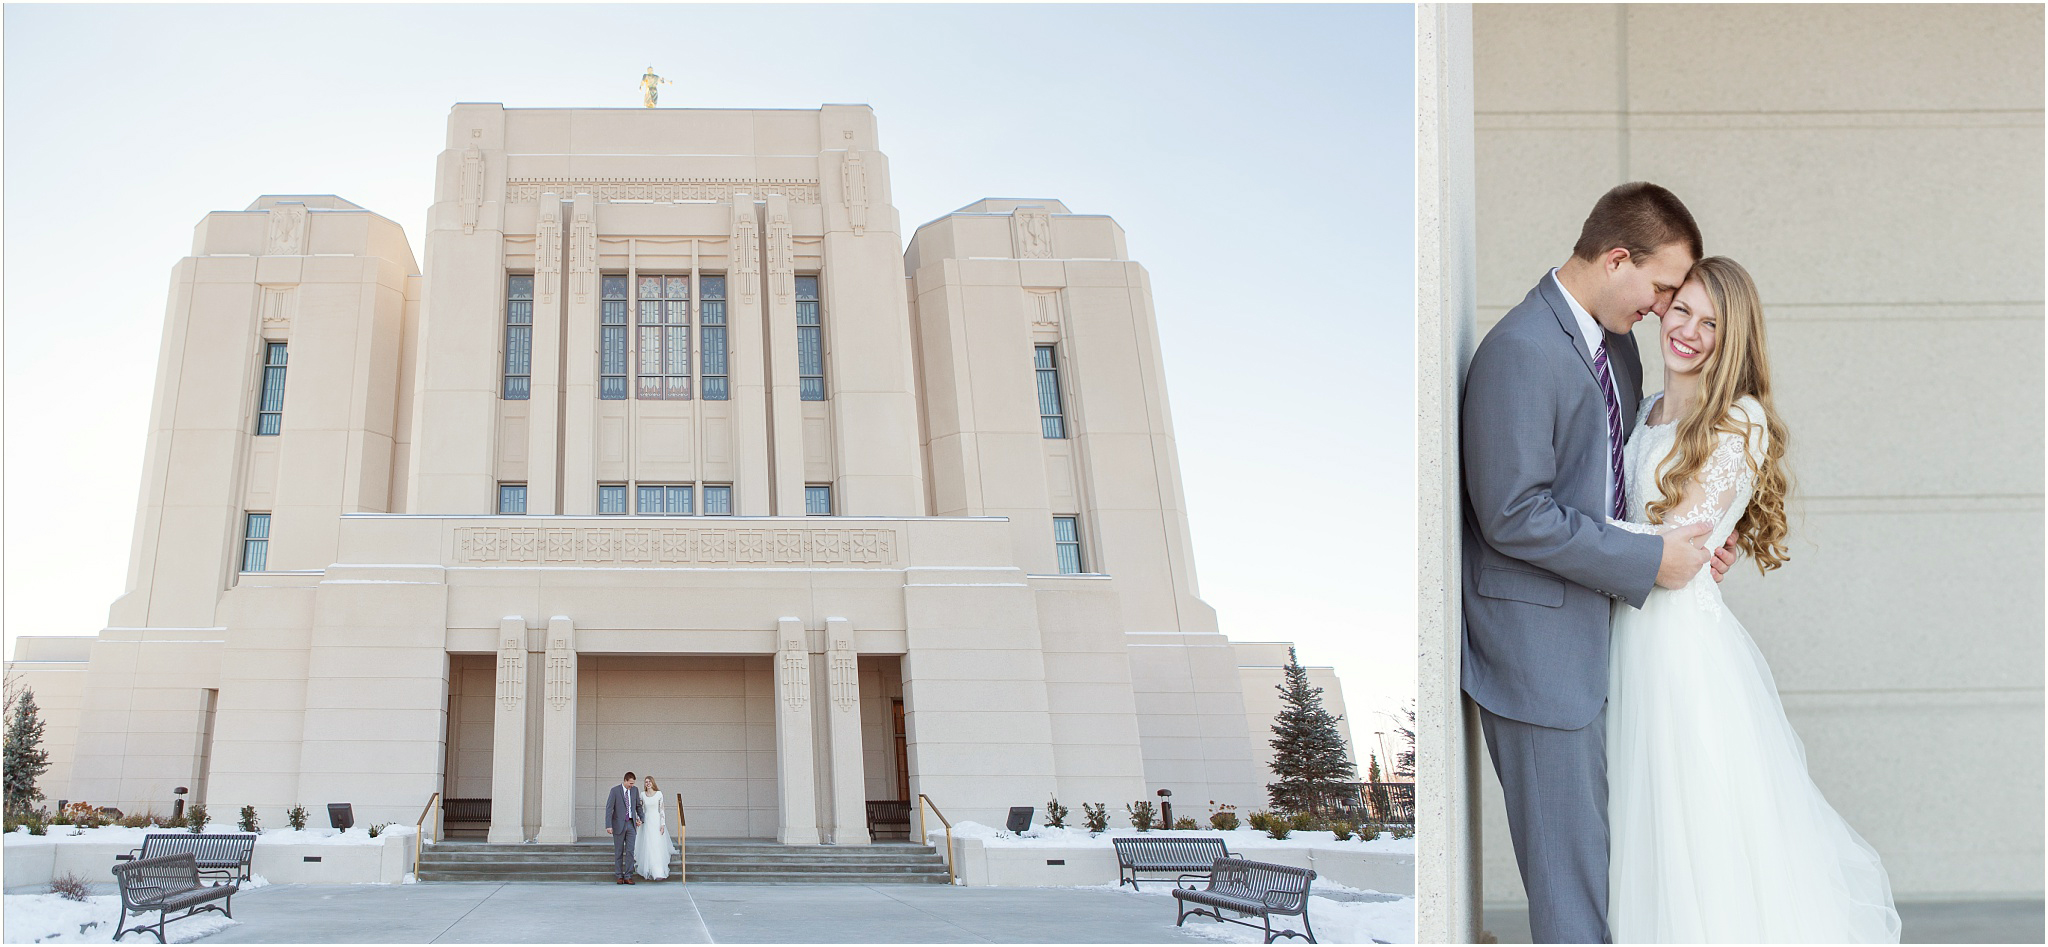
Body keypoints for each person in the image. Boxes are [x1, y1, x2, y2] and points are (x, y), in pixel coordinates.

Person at [1460, 182, 1735, 944]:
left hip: (1605, 641)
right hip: (1539, 660)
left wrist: (1690, 538)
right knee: (1573, 887)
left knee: (1616, 873)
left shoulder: (1612, 347)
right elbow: (1513, 514)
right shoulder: (1520, 351)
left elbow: (1611, 479)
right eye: (1661, 287)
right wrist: (1649, 560)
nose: (1662, 308)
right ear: (1617, 258)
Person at [1604, 257, 1899, 942]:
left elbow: (1680, 550)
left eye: (1713, 323)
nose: (1690, 331)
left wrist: (1563, 525)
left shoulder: (1740, 421)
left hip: (1679, 653)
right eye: (1682, 310)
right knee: (1639, 832)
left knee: (1697, 839)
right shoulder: (1641, 407)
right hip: (1624, 636)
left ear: (1733, 338)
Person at [605, 771, 644, 884]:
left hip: (631, 824)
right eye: (630, 783)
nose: (631, 785)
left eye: (633, 783)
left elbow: (638, 806)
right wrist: (608, 825)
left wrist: (641, 818)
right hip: (618, 825)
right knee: (618, 851)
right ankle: (619, 875)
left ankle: (628, 876)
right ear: (625, 780)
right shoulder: (615, 791)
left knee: (630, 851)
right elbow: (609, 808)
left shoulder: (635, 790)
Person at [633, 776, 674, 881]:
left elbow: (661, 810)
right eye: (646, 782)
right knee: (648, 844)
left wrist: (662, 824)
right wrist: (639, 819)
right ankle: (648, 868)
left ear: (653, 783)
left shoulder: (659, 794)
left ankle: (658, 871)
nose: (648, 783)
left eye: (649, 781)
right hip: (646, 822)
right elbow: (640, 809)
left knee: (656, 845)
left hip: (656, 821)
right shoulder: (642, 795)